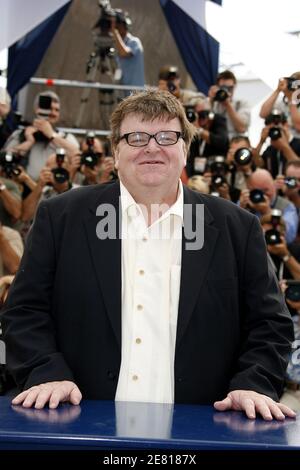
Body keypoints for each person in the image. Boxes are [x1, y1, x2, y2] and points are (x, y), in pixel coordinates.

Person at [0, 89, 296, 421]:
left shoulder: (237, 228)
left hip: (202, 431)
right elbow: (25, 309)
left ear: (185, 148)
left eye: (167, 137)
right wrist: (45, 371)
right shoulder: (61, 217)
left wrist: (253, 383)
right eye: (137, 137)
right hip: (80, 423)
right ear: (115, 149)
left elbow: (270, 323)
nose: (152, 147)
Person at [111, 10, 144, 90]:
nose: (117, 27)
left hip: (135, 92)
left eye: (118, 24)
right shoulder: (116, 44)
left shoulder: (134, 42)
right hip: (123, 90)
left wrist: (114, 32)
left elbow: (123, 53)